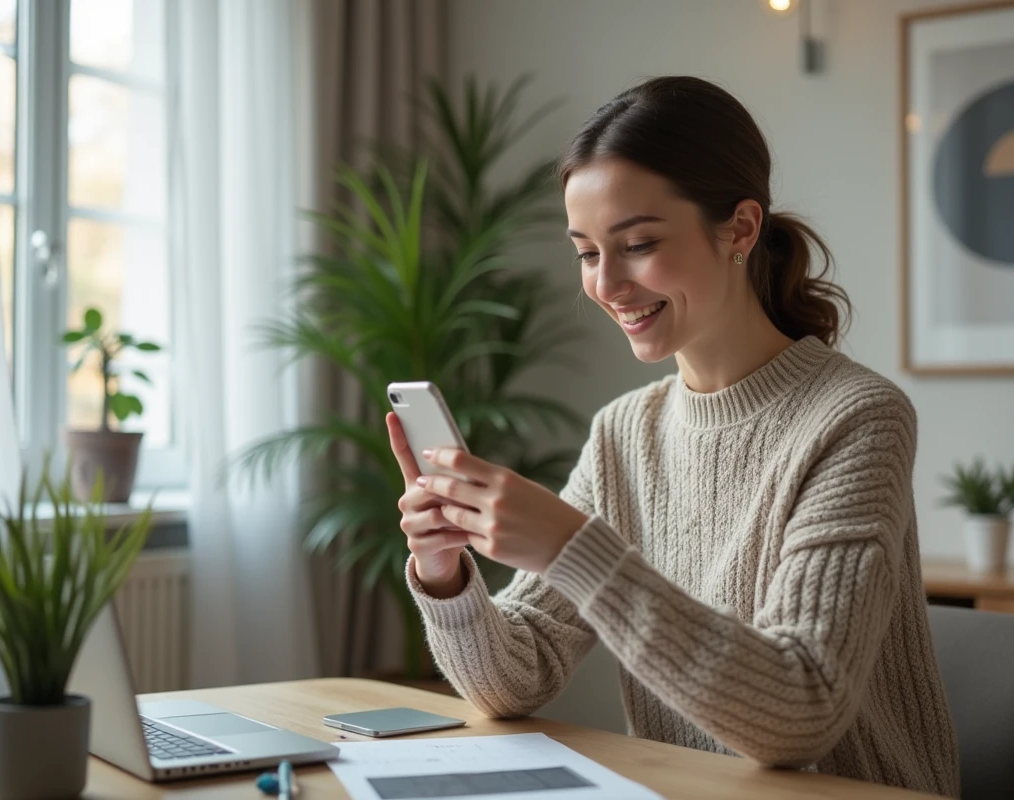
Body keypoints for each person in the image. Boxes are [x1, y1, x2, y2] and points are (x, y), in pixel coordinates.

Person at [385, 75, 959, 797]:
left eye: (638, 244)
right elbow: (516, 678)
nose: (607, 285)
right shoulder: (624, 433)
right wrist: (443, 571)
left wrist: (570, 547)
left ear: (740, 229)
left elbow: (802, 710)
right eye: (587, 253)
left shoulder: (857, 416)